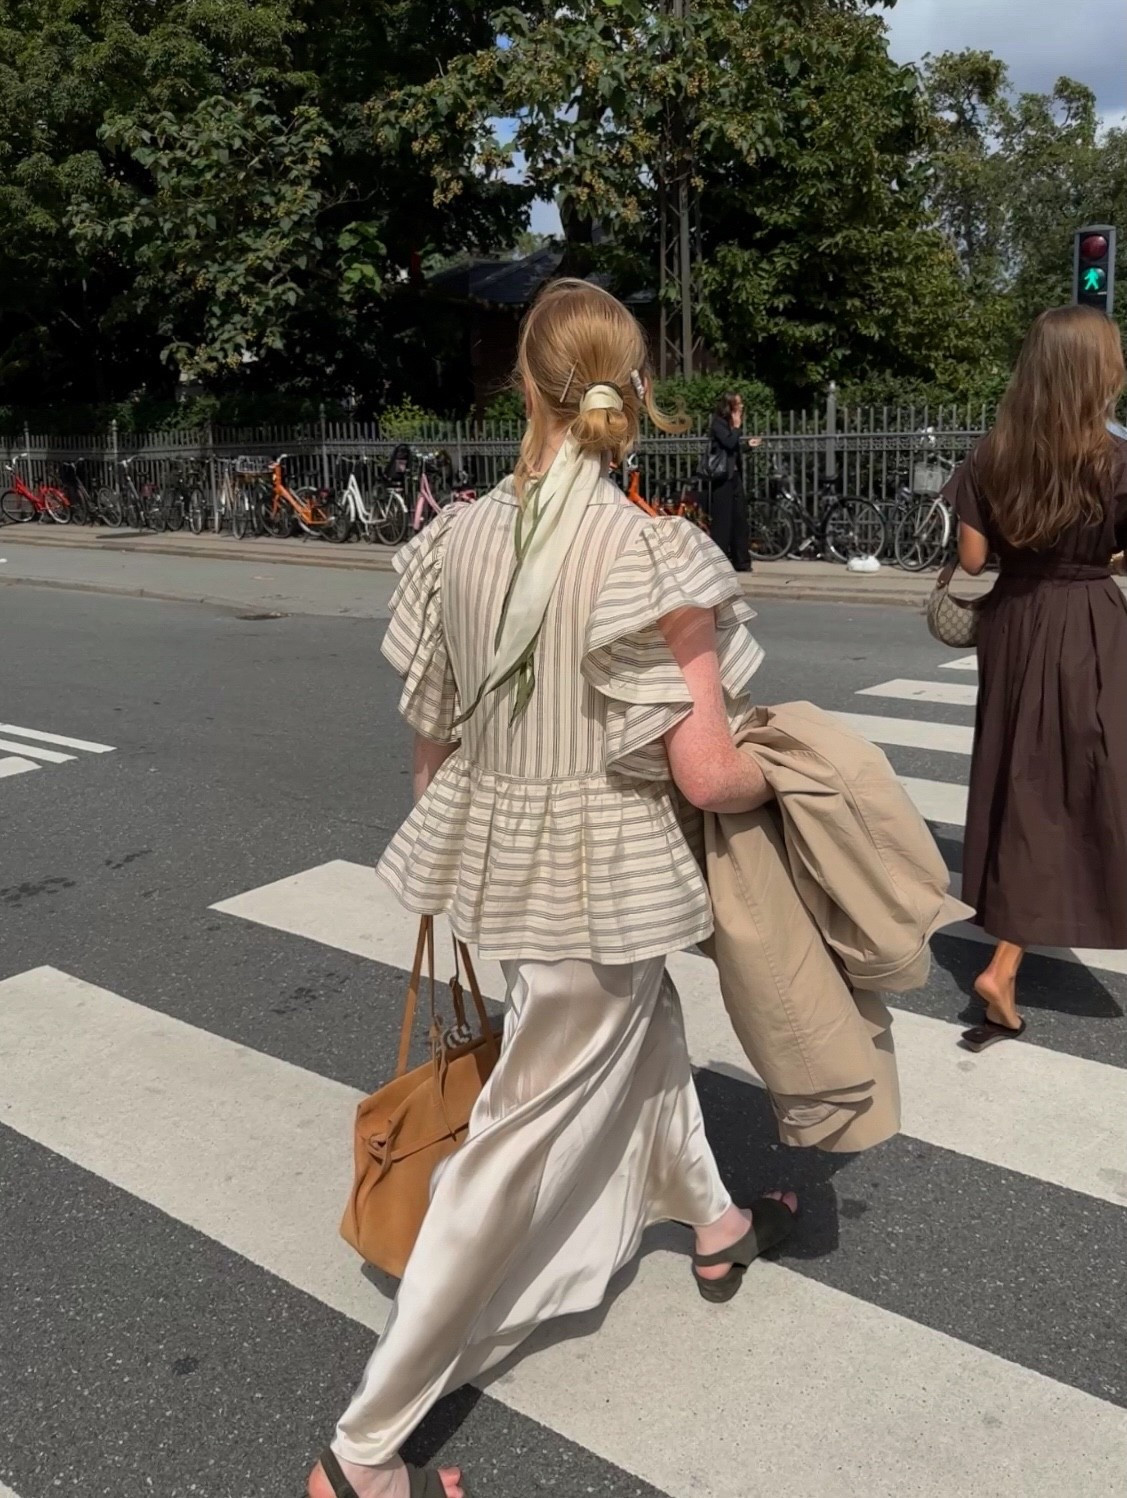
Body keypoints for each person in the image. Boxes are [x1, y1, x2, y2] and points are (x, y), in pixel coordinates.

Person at [307, 280, 797, 1498]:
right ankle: (361, 1449)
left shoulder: (453, 541)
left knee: (643, 1028)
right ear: (635, 390)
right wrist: (797, 782)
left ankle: (715, 1221)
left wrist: (462, 863)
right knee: (513, 1139)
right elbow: (707, 768)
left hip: (506, 855)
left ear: (521, 384)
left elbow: (431, 746)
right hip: (605, 868)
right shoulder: (650, 549)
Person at [944, 305, 1127, 1051]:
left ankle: (1008, 953)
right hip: (1087, 621)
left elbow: (971, 561)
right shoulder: (1115, 460)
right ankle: (1011, 955)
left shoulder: (991, 454)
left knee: (1019, 775)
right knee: (1084, 776)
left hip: (1014, 623)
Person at [706, 392, 761, 571]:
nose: (742, 406)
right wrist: (737, 428)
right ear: (729, 406)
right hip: (722, 478)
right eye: (738, 404)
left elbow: (733, 450)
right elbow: (728, 443)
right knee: (723, 521)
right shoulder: (718, 424)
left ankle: (741, 561)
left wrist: (748, 446)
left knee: (739, 519)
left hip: (734, 477)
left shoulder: (729, 425)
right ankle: (719, 562)